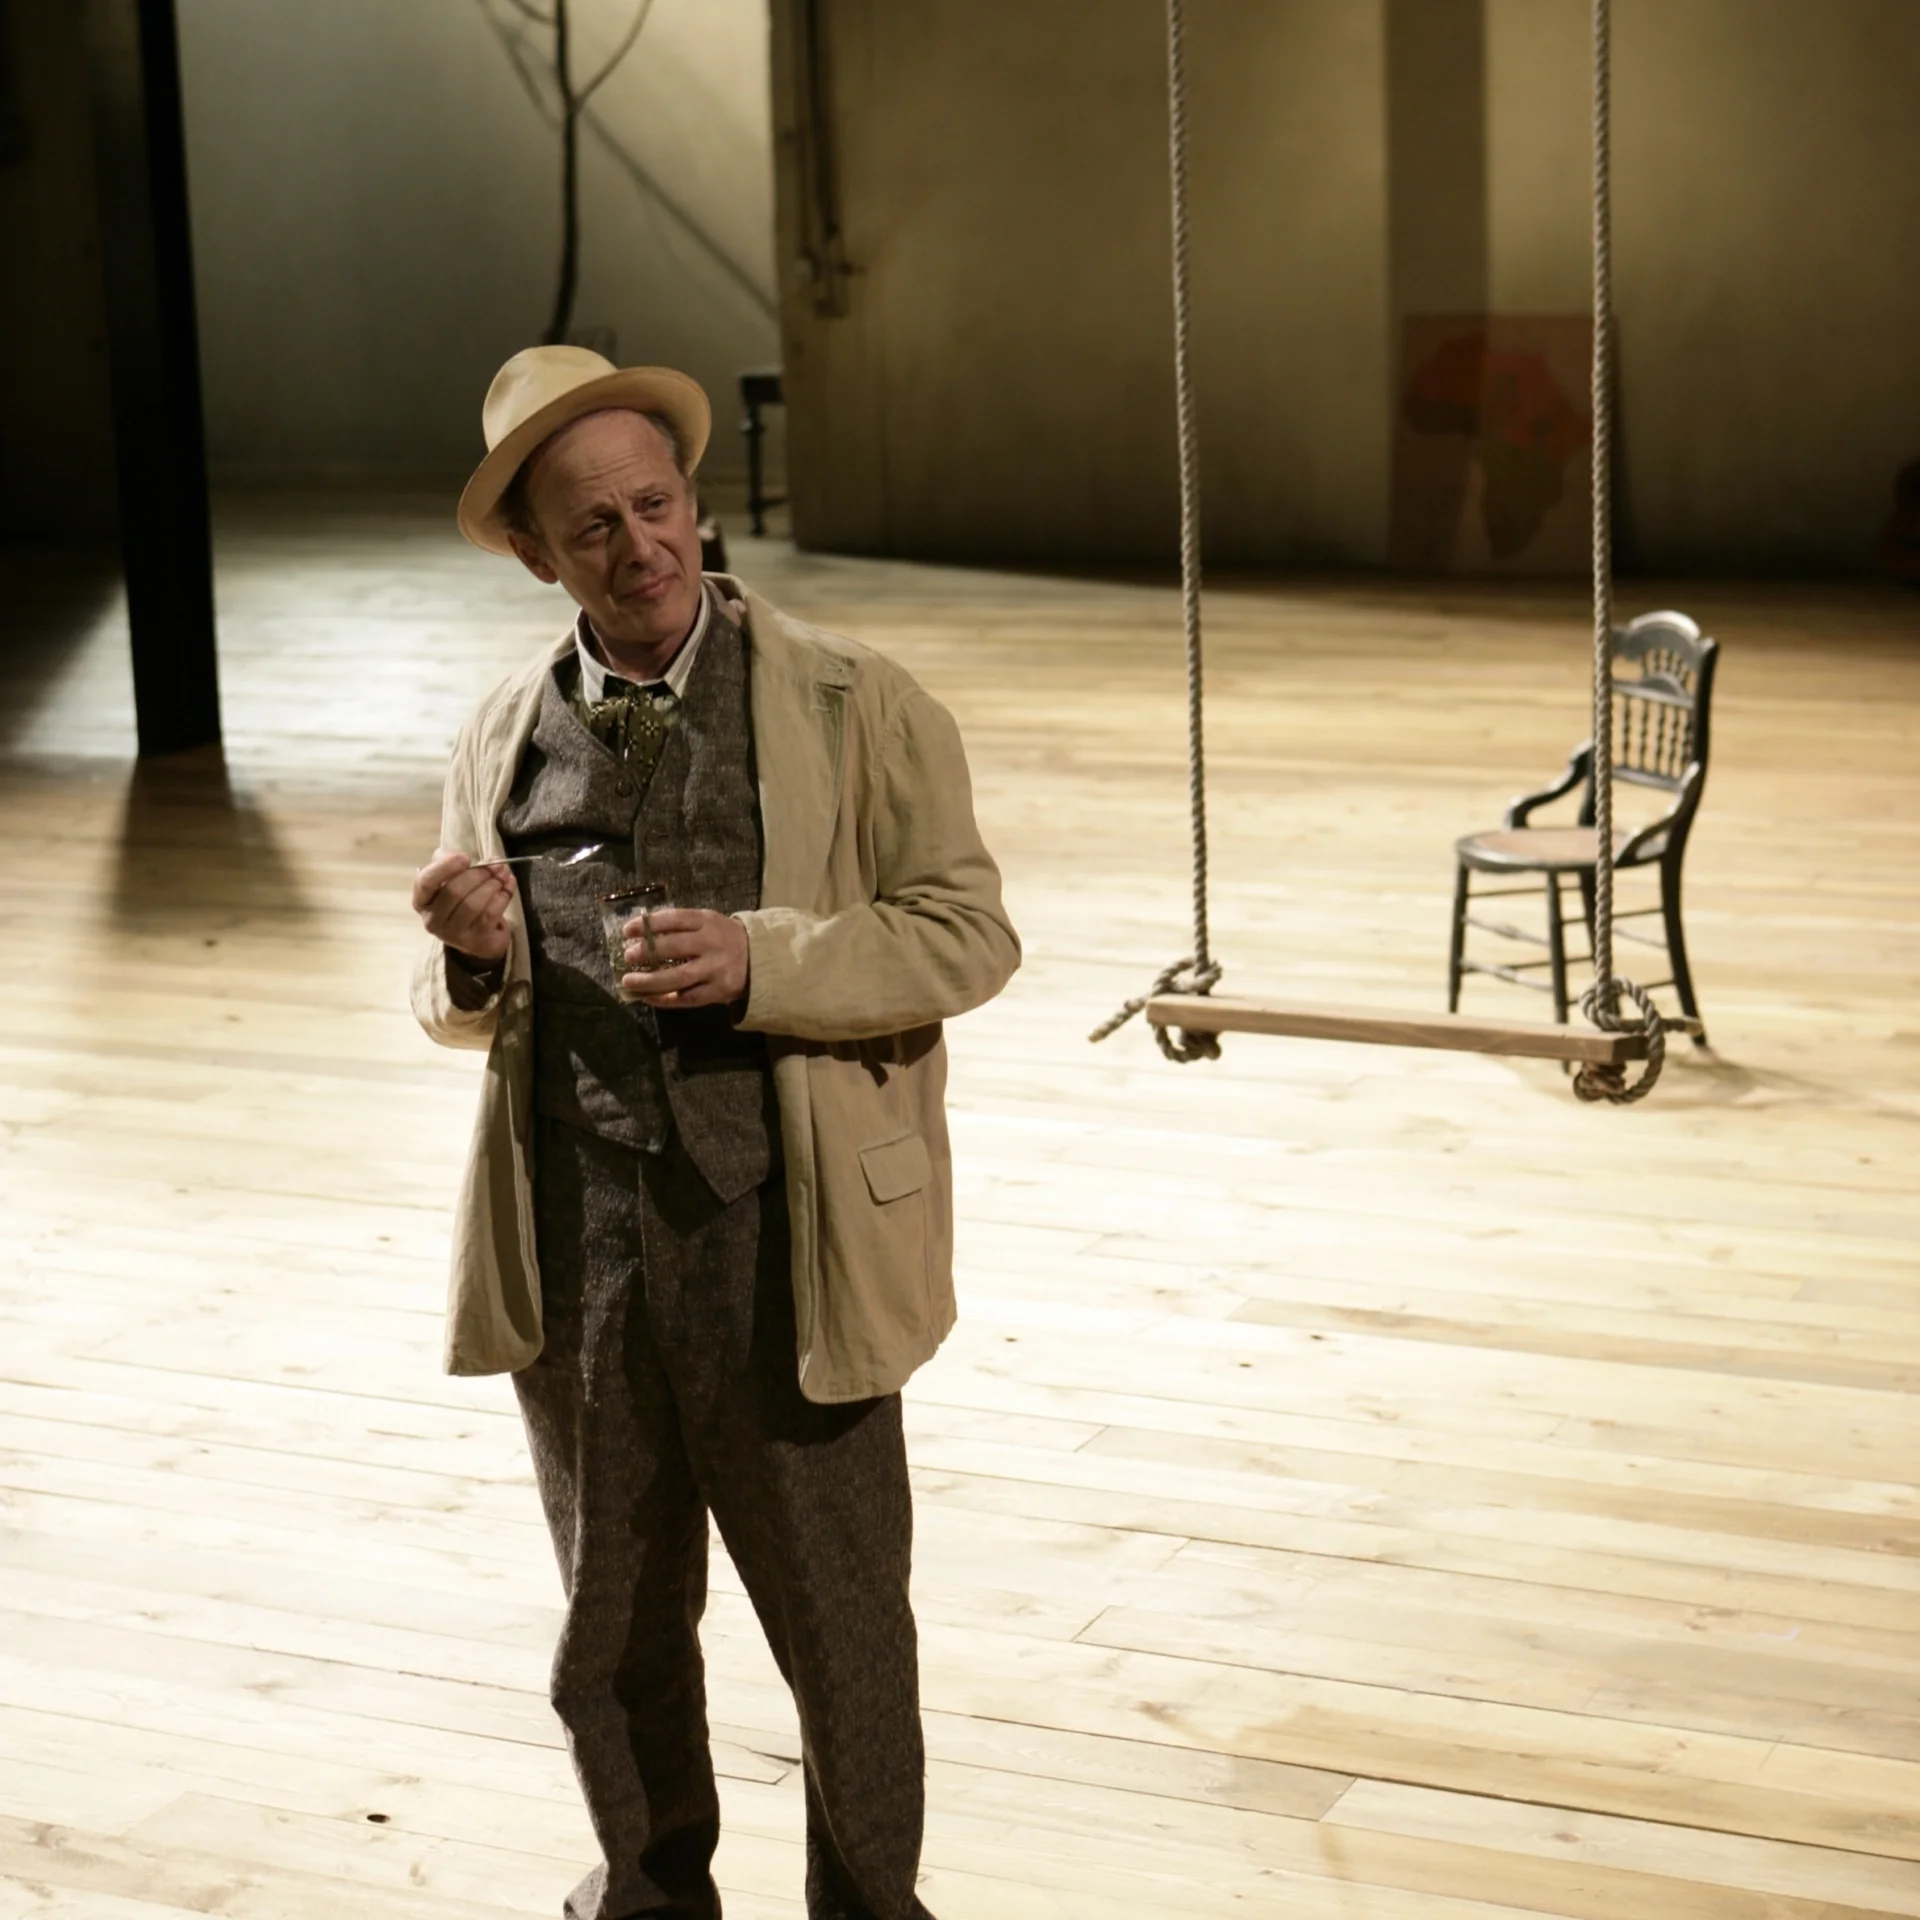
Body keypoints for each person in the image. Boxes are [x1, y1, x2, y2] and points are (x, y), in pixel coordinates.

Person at [409, 345, 1019, 1920]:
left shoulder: (855, 702)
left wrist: (767, 962)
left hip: (786, 1236)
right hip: (581, 1244)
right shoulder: (503, 731)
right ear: (537, 555)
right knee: (609, 1629)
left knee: (843, 1629)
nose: (641, 549)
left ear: (695, 500)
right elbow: (459, 1004)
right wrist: (471, 957)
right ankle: (647, 1893)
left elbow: (968, 936)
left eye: (658, 505)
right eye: (593, 527)